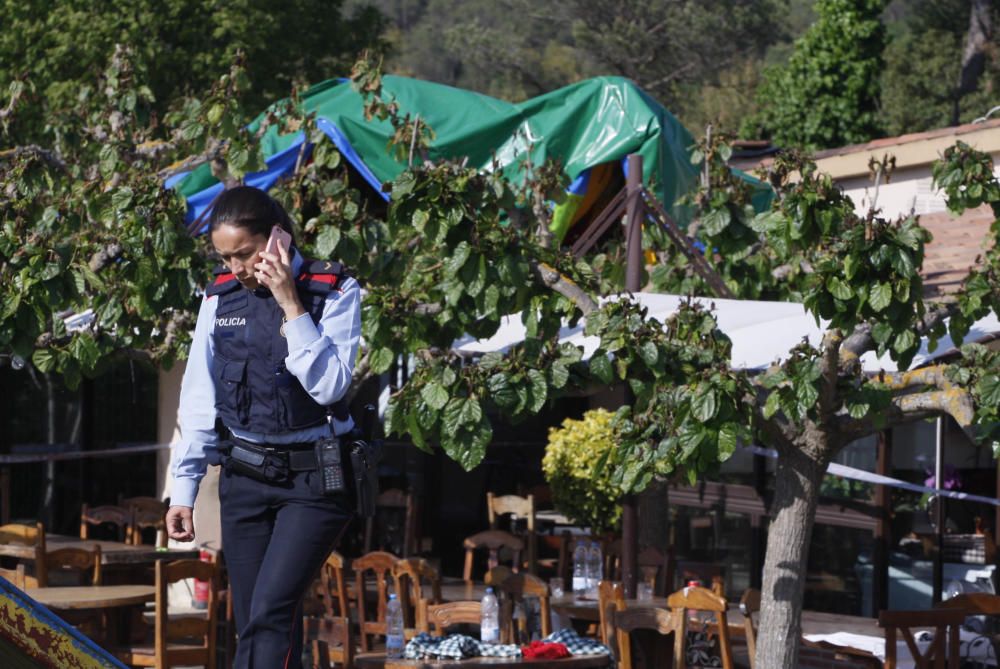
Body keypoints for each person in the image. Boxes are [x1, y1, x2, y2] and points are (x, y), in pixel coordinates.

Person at [165, 185, 361, 668]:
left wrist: (289, 302)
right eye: (226, 257)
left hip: (314, 481)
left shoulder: (332, 290)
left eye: (246, 254)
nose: (237, 268)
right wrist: (183, 489)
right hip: (244, 478)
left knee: (271, 612)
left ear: (278, 237)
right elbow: (197, 397)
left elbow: (330, 387)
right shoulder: (219, 298)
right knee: (252, 617)